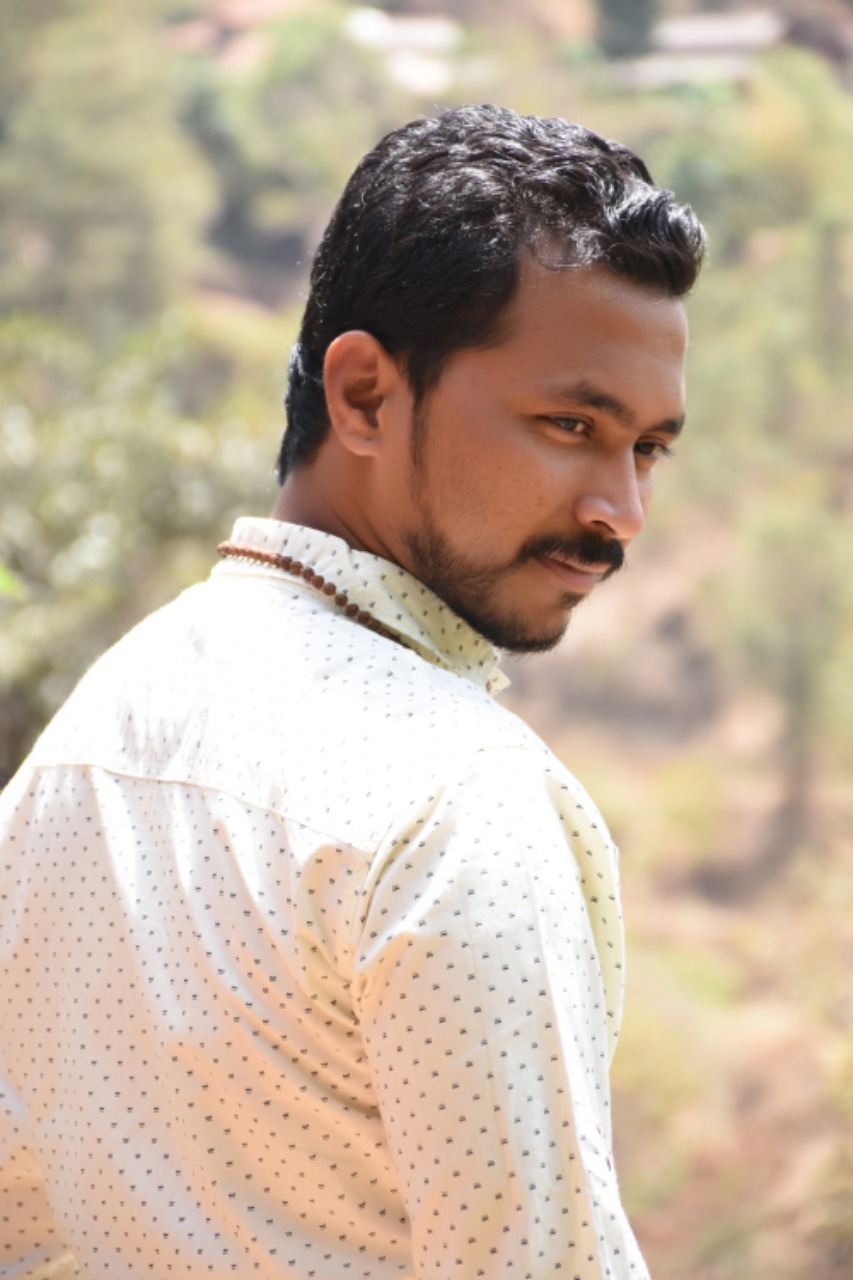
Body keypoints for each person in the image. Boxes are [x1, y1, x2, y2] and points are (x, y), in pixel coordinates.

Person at [0, 104, 704, 1278]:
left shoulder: (91, 735)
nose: (619, 510)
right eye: (568, 423)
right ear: (366, 394)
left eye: (646, 448)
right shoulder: (459, 802)